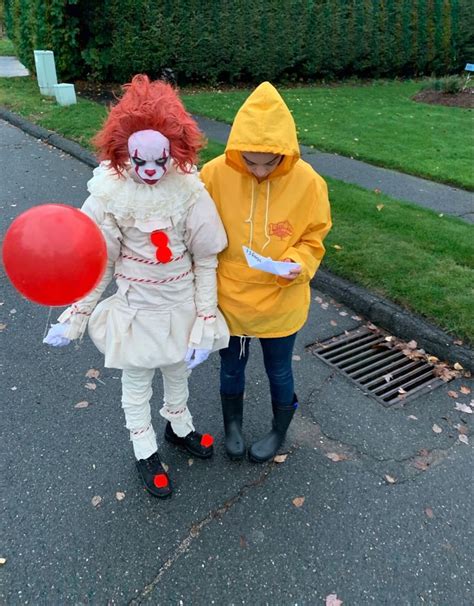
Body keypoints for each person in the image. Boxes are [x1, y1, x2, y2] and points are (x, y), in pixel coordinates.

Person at [43, 75, 229, 498]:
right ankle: (145, 449)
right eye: (138, 160)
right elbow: (99, 261)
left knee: (179, 371)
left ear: (174, 152)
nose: (149, 171)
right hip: (137, 309)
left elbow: (205, 258)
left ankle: (179, 427)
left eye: (159, 160)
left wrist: (204, 317)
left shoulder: (188, 194)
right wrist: (77, 314)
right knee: (138, 380)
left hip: (180, 303)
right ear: (122, 151)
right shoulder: (112, 196)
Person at [200, 81, 332, 463]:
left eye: (268, 162)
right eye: (249, 161)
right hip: (231, 301)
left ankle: (278, 430)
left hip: (280, 301)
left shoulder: (308, 182)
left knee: (278, 370)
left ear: (284, 154)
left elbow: (314, 236)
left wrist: (300, 262)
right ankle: (233, 427)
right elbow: (195, 229)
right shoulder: (214, 174)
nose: (258, 171)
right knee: (231, 368)